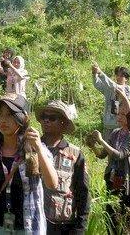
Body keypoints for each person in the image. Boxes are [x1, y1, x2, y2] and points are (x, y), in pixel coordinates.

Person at [0, 93, 58, 234]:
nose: (3, 120)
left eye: (10, 115)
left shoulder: (35, 151)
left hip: (28, 229)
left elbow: (52, 184)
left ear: (24, 118)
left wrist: (39, 148)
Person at [37, 100, 89, 235]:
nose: (46, 121)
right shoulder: (30, 148)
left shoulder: (75, 154)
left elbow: (83, 193)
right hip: (34, 221)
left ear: (63, 123)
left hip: (63, 225)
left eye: (52, 118)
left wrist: (80, 228)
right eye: (44, 117)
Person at [87, 105, 130, 234]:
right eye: (119, 114)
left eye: (123, 114)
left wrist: (101, 140)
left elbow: (119, 155)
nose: (119, 117)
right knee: (111, 214)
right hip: (112, 179)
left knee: (127, 216)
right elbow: (102, 155)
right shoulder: (116, 132)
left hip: (126, 182)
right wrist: (93, 146)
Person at [92, 63, 130, 139]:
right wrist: (94, 74)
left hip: (119, 125)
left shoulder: (127, 89)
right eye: (117, 75)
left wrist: (100, 73)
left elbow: (115, 87)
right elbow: (97, 84)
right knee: (107, 146)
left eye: (121, 76)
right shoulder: (109, 88)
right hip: (108, 124)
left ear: (126, 79)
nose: (118, 77)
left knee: (117, 147)